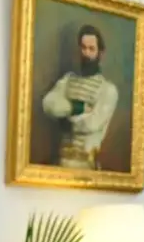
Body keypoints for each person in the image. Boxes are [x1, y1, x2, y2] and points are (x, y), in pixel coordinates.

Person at [42, 24, 119, 170]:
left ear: (100, 53)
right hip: (61, 162)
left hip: (86, 165)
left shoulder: (108, 90)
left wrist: (65, 120)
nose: (86, 53)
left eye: (91, 49)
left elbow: (92, 123)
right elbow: (48, 104)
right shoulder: (68, 80)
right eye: (83, 48)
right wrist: (77, 107)